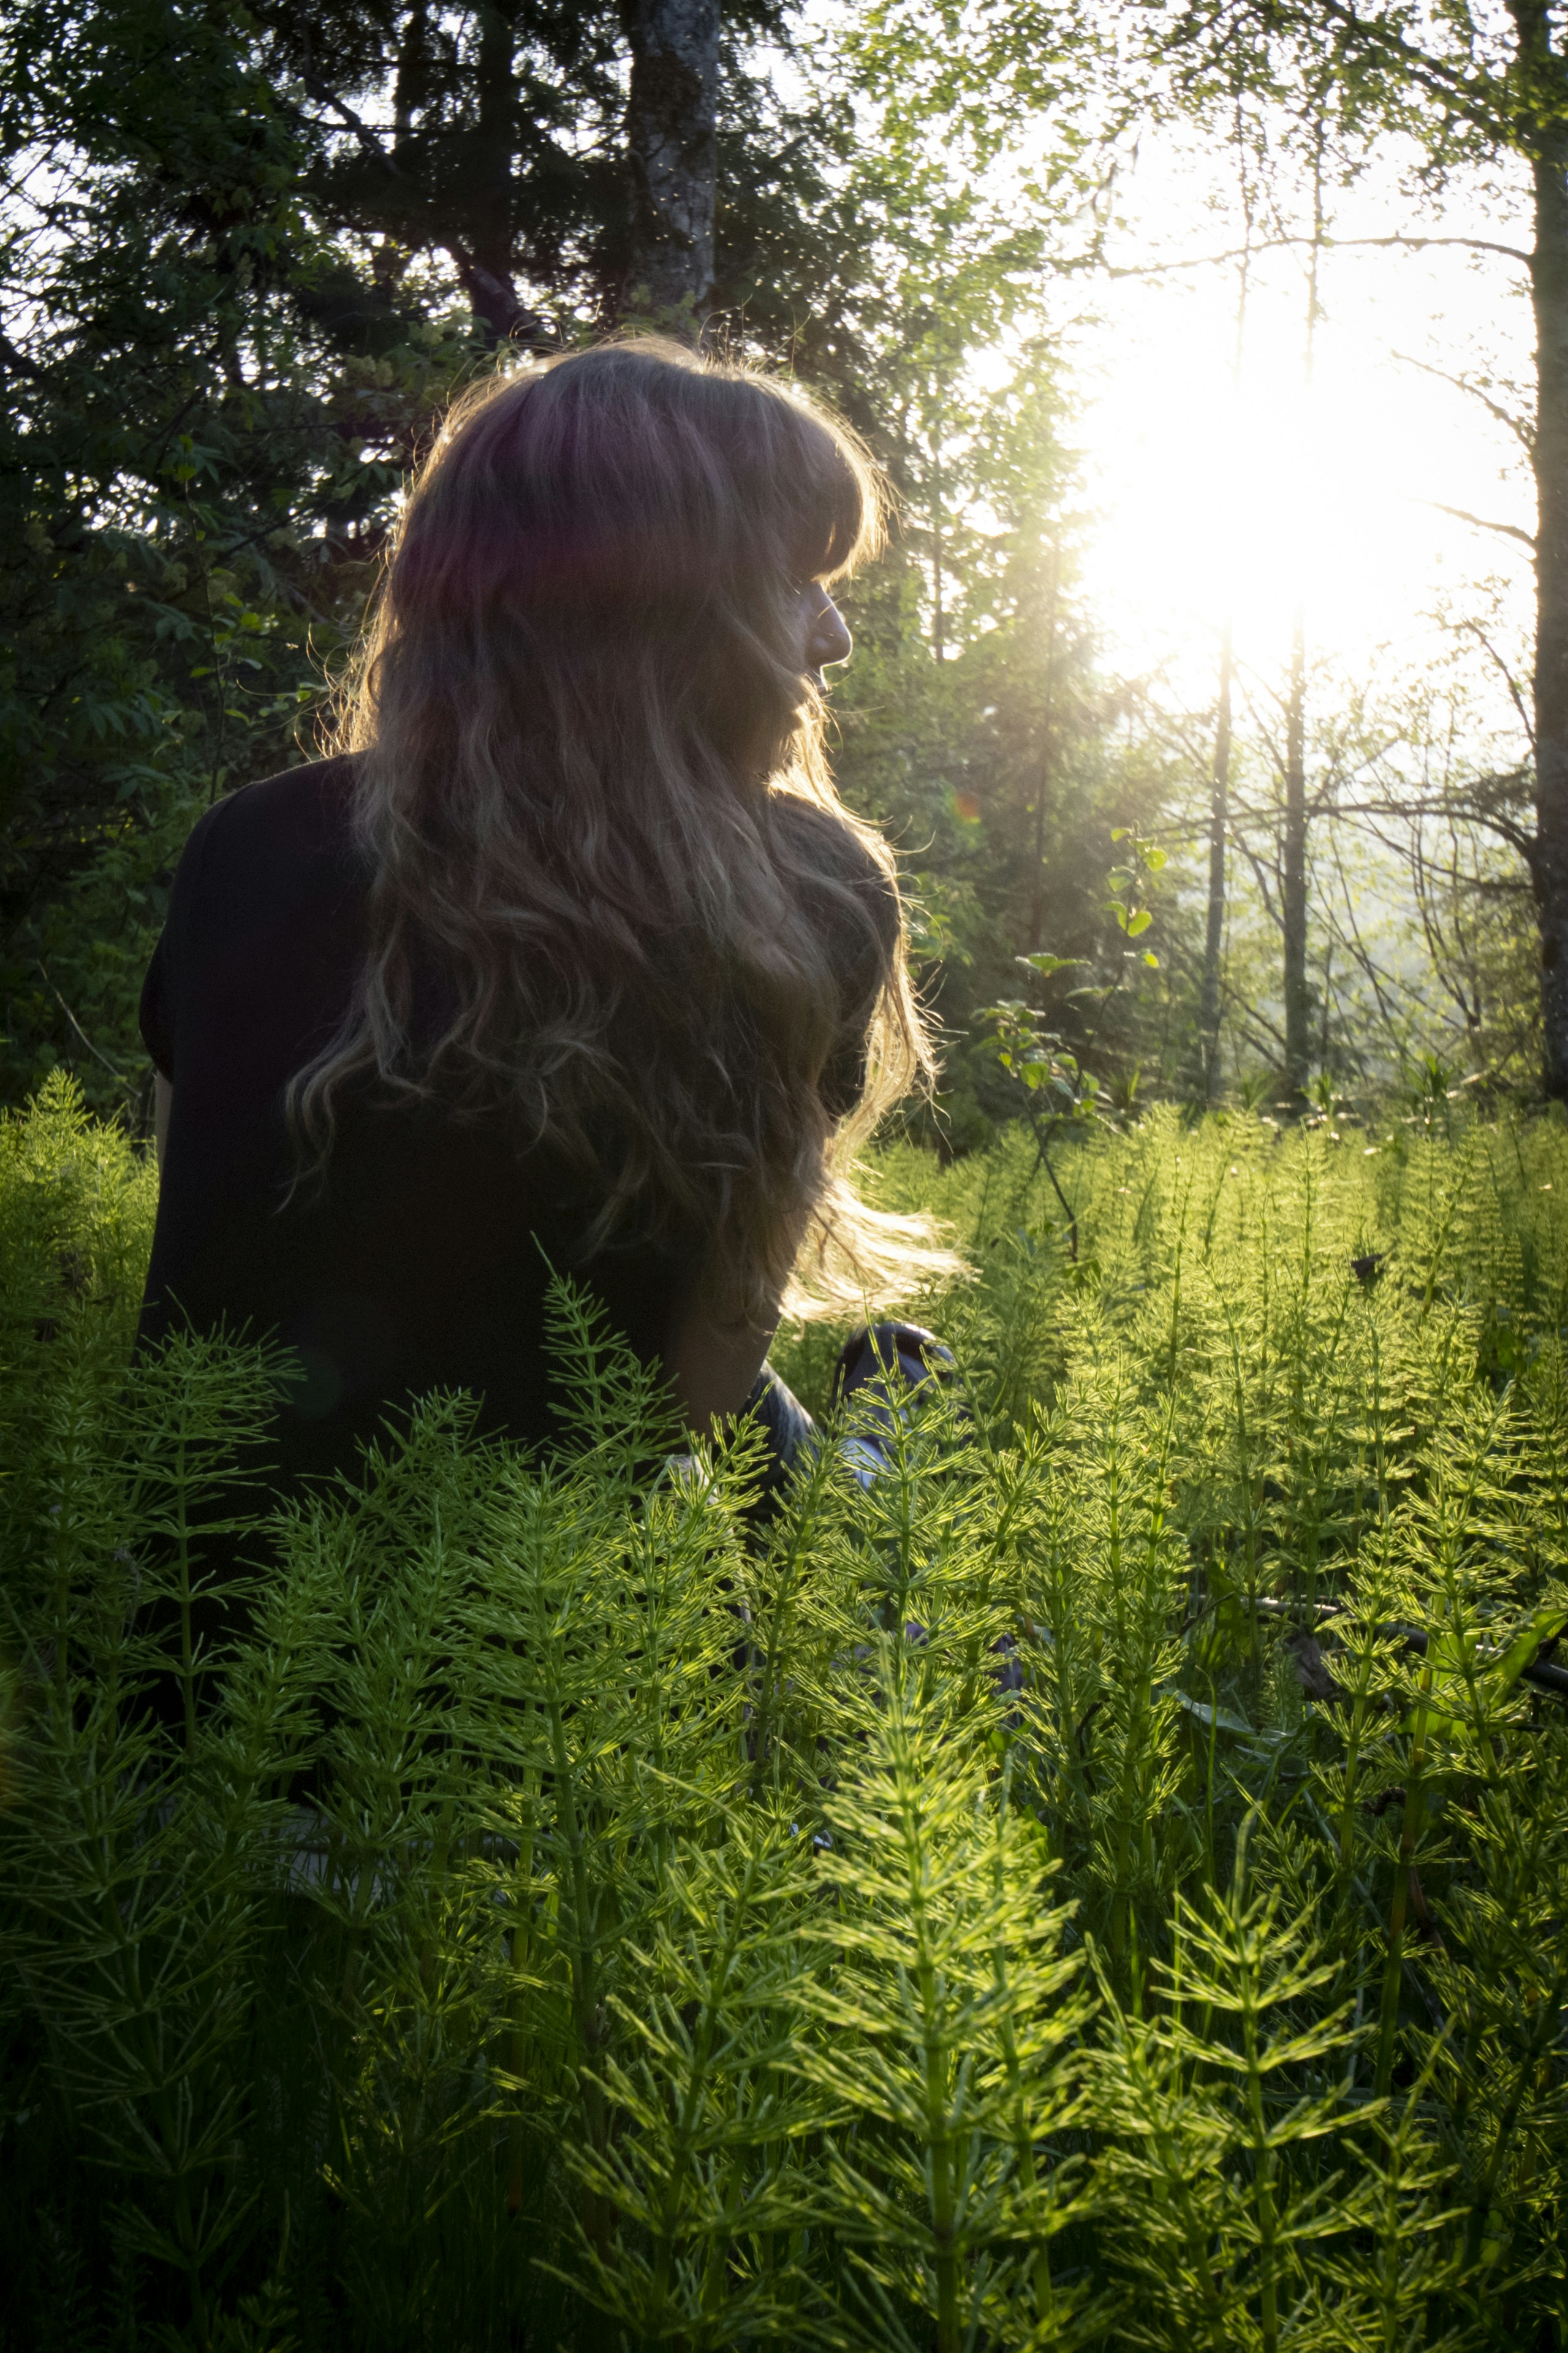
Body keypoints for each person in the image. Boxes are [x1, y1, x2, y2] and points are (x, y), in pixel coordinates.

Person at [136, 336, 961, 1519]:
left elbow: (209, 1244)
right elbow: (698, 1394)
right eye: (796, 580)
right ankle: (887, 1450)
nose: (831, 636)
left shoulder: (245, 848)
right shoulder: (805, 890)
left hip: (198, 1620)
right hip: (551, 1631)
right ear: (675, 610)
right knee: (846, 1505)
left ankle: (881, 1425)